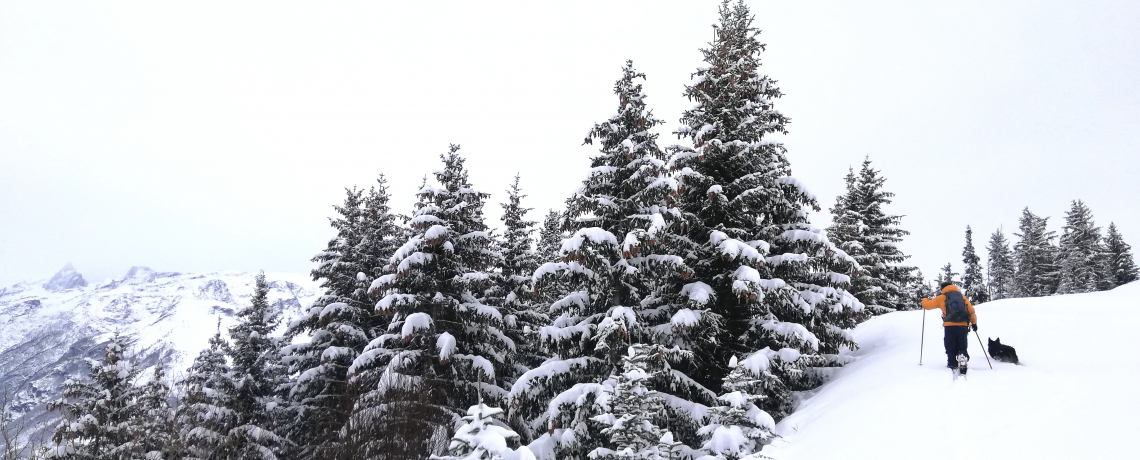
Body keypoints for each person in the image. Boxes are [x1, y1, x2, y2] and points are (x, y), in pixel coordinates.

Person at [922, 280, 978, 374]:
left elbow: (926, 306)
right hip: (963, 326)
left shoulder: (942, 297)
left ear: (942, 289)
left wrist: (924, 299)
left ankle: (952, 363)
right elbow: (971, 312)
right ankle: (963, 355)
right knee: (962, 344)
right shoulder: (962, 298)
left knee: (950, 345)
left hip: (949, 326)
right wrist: (974, 323)